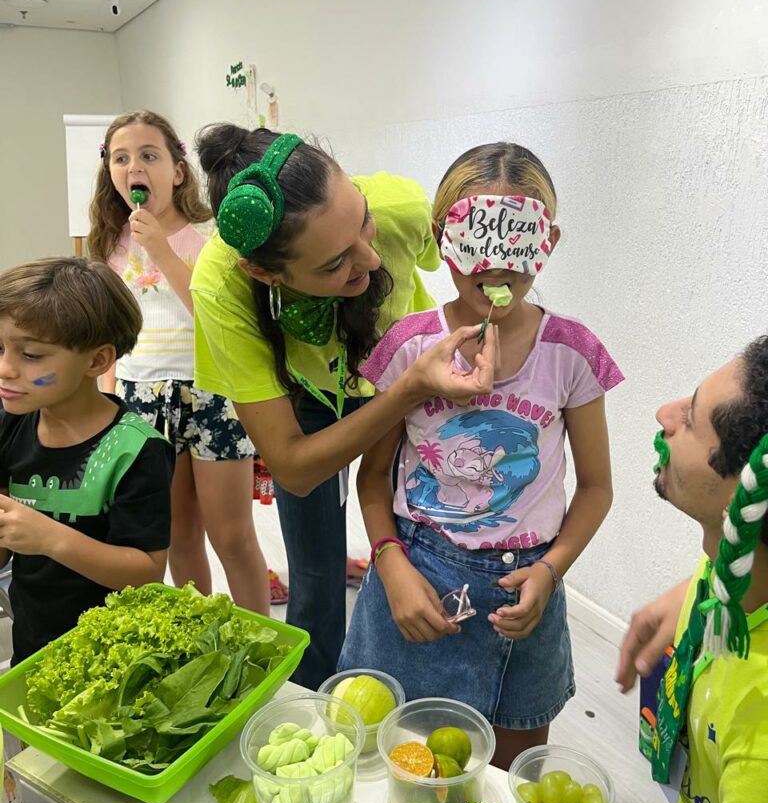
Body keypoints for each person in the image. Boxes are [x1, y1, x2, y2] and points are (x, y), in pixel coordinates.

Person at [338, 142, 622, 767]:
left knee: (504, 779)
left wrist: (552, 571)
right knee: (396, 758)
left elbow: (597, 487)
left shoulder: (572, 354)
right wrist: (391, 565)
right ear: (444, 240)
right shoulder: (409, 347)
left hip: (527, 587)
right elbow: (373, 477)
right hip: (417, 570)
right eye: (477, 239)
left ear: (547, 242)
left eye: (517, 241)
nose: (496, 264)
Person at [192, 126, 496, 688]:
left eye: (363, 221)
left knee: (423, 548)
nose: (372, 258)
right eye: (335, 264)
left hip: (407, 380)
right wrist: (410, 390)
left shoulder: (403, 206)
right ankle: (314, 697)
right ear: (264, 273)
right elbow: (293, 466)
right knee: (315, 573)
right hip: (316, 397)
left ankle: (412, 683)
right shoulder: (220, 283)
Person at [88, 110, 275, 614]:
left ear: (176, 170)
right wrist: (107, 397)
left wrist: (162, 251)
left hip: (212, 390)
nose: (134, 168)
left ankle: (264, 639)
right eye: (121, 158)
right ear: (110, 172)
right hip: (139, 397)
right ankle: (202, 636)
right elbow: (110, 333)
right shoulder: (110, 242)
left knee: (231, 536)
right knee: (178, 534)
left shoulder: (211, 235)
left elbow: (219, 317)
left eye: (148, 155)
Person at [616, 334, 768, 803]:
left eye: (692, 418)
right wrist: (691, 590)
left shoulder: (758, 747)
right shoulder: (740, 575)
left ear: (743, 500)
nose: (665, 414)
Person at [0, 256, 174, 662]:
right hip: (33, 644)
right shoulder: (11, 425)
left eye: (31, 355)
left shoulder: (135, 451)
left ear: (97, 361)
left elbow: (146, 572)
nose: (5, 369)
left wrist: (49, 538)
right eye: (0, 349)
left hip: (114, 657)